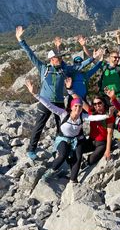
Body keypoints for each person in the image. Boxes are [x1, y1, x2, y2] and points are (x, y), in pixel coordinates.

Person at [25, 80, 112, 183]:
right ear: (71, 107)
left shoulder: (82, 116)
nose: (78, 108)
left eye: (80, 107)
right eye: (76, 106)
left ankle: (73, 180)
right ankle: (50, 172)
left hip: (77, 140)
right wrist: (35, 94)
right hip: (63, 139)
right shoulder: (63, 114)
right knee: (63, 155)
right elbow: (48, 105)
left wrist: (107, 115)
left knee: (78, 157)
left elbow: (94, 118)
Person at [16, 26, 80, 161]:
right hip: (45, 102)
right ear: (52, 59)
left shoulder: (62, 70)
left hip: (59, 102)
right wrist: (21, 40)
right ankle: (31, 150)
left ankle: (61, 149)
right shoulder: (43, 68)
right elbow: (31, 55)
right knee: (39, 126)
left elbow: (76, 66)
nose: (61, 59)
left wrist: (59, 47)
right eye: (58, 58)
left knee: (61, 127)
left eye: (60, 58)